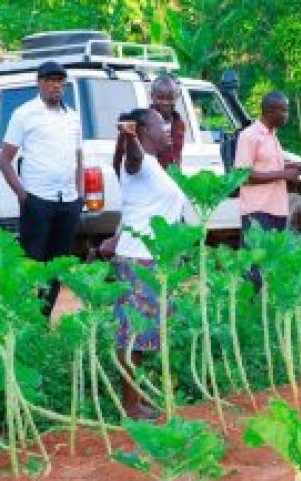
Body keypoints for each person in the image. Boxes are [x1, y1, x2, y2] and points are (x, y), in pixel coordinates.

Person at [110, 108, 188, 419]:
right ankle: (130, 406)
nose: (167, 129)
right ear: (143, 130)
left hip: (151, 260)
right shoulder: (137, 163)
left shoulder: (155, 165)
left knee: (141, 337)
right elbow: (132, 158)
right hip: (138, 259)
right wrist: (128, 137)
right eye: (160, 125)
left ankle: (136, 400)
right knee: (132, 335)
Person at [0, 61, 83, 317]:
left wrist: (80, 195)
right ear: (39, 83)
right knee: (31, 262)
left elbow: (79, 157)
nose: (56, 85)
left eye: (60, 80)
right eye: (49, 80)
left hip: (68, 201)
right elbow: (4, 160)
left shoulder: (73, 117)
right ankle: (24, 316)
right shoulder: (24, 114)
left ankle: (44, 317)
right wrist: (24, 197)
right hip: (38, 200)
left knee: (57, 264)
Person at [234, 91, 301, 288]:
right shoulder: (250, 136)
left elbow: (268, 167)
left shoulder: (272, 136)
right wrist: (283, 175)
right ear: (271, 111)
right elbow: (243, 176)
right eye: (285, 110)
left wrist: (292, 167)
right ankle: (252, 311)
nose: (287, 115)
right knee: (253, 268)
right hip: (257, 212)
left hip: (277, 210)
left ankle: (265, 311)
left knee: (270, 266)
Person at [112, 75, 184, 177]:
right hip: (146, 184)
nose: (165, 102)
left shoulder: (179, 124)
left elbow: (177, 157)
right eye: (160, 97)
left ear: (176, 97)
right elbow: (119, 158)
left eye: (170, 97)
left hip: (169, 184)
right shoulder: (140, 121)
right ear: (152, 96)